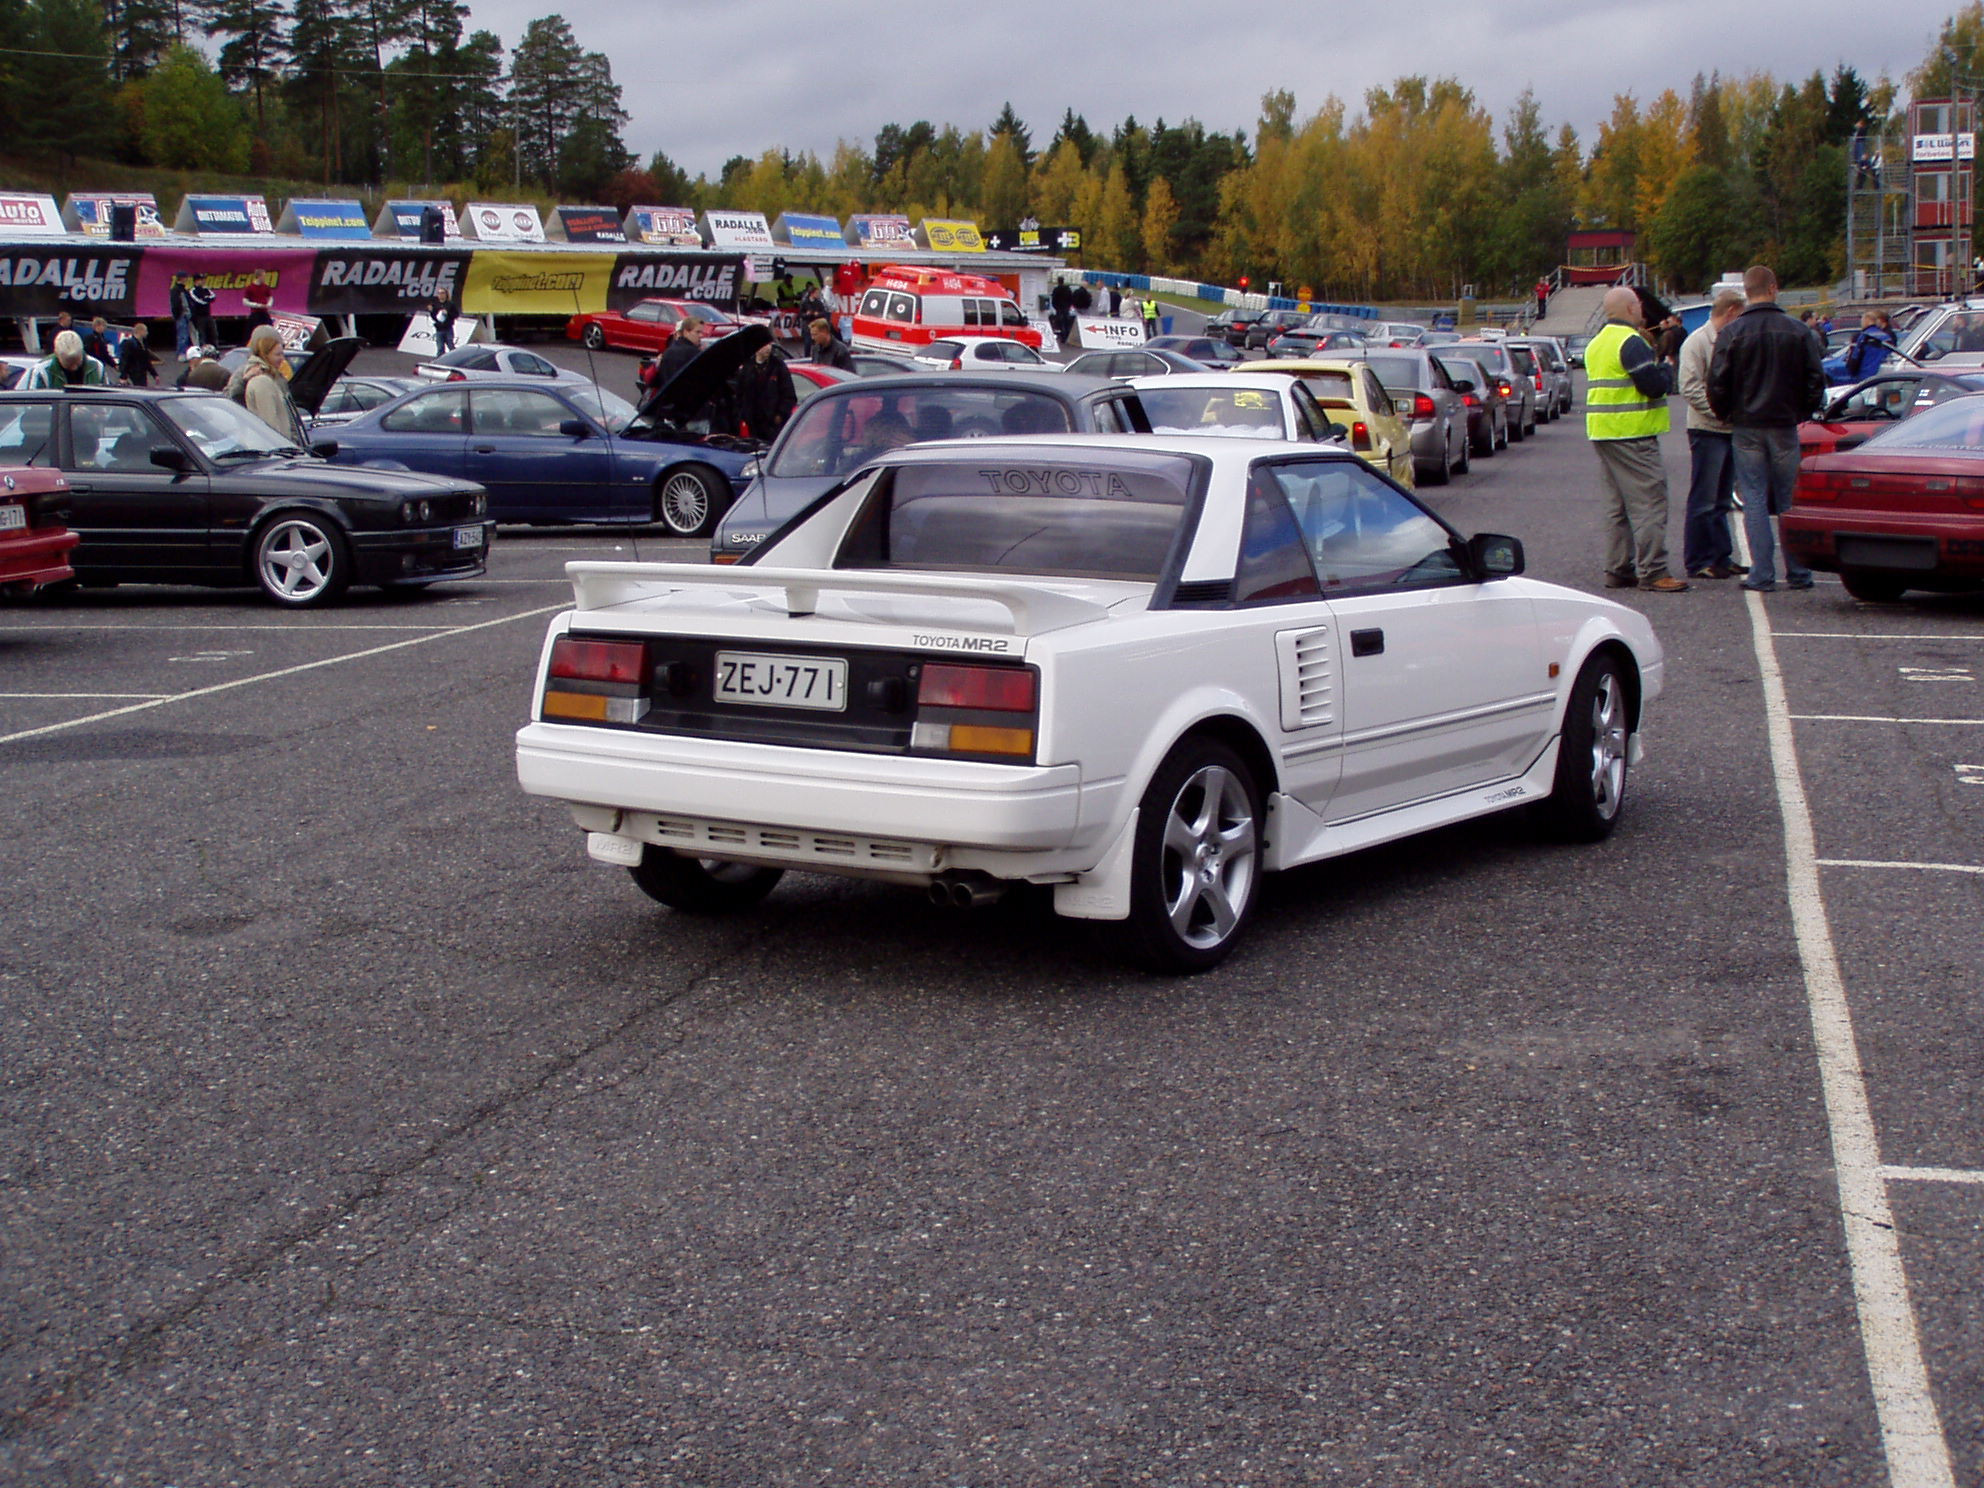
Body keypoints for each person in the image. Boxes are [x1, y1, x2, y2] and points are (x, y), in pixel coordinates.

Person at [1707, 263, 1826, 593]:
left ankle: (1762, 573)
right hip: (1785, 422)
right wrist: (1801, 410)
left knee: (1754, 498)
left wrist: (1727, 413)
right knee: (1789, 499)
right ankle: (1799, 571)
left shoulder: (1731, 333)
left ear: (1747, 292)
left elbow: (1716, 382)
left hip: (1747, 423)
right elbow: (1816, 379)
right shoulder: (1798, 331)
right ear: (1774, 288)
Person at [1585, 285, 1689, 592]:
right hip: (1632, 432)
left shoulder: (1597, 343)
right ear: (1631, 309)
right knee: (1649, 503)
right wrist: (1667, 370)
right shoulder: (1631, 341)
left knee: (1616, 506)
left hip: (1604, 431)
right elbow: (1653, 385)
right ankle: (1654, 570)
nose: (1643, 312)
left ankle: (1617, 568)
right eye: (1640, 307)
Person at [1677, 288, 1747, 579]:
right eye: (1740, 315)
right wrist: (1719, 412)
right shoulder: (1696, 342)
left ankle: (1721, 556)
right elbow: (1689, 386)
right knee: (1703, 499)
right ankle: (1698, 560)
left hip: (1730, 428)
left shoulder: (1733, 340)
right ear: (1730, 311)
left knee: (1721, 500)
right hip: (1707, 429)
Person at [231, 326, 304, 443]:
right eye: (277, 354)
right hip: (265, 442)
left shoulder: (276, 374)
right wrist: (244, 381)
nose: (282, 359)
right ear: (264, 352)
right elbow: (231, 401)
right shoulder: (249, 374)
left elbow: (287, 412)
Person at [733, 340, 797, 442]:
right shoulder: (747, 367)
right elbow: (740, 394)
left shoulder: (778, 366)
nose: (768, 348)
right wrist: (744, 415)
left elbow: (789, 394)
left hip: (773, 424)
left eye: (769, 344)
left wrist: (780, 415)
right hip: (753, 424)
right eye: (764, 345)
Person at [23, 329, 107, 388]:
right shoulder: (42, 371)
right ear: (56, 354)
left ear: (82, 351)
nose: (74, 367)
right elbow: (34, 407)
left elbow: (106, 406)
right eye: (68, 363)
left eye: (77, 362)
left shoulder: (97, 367)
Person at [1842, 310, 1896, 382]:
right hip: (1882, 375)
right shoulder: (1886, 337)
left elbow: (1855, 357)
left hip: (1865, 376)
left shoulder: (1862, 337)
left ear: (1866, 321)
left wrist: (1851, 370)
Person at [116, 321, 159, 387]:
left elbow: (146, 360)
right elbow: (125, 360)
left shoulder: (143, 343)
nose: (147, 333)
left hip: (141, 372)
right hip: (133, 372)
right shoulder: (130, 344)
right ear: (140, 331)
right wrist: (123, 376)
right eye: (145, 331)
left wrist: (154, 374)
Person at [186, 273, 217, 349]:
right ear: (196, 281)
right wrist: (206, 299)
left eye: (204, 280)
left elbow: (213, 297)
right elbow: (199, 301)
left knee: (213, 333)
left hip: (208, 315)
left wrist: (206, 299)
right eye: (201, 280)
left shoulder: (206, 289)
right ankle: (202, 349)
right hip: (199, 317)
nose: (203, 281)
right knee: (201, 334)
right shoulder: (193, 291)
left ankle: (214, 348)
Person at [169, 272, 193, 357]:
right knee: (183, 335)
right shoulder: (176, 290)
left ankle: (184, 352)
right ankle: (181, 353)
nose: (186, 279)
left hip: (186, 314)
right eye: (185, 278)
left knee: (186, 335)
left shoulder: (184, 289)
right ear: (182, 278)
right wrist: (178, 314)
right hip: (181, 315)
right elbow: (175, 304)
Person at [428, 284, 457, 354]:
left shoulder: (450, 304)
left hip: (448, 329)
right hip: (439, 329)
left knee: (451, 346)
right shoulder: (435, 304)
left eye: (442, 293)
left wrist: (448, 313)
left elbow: (456, 315)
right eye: (439, 293)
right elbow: (434, 317)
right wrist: (431, 311)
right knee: (440, 348)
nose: (441, 295)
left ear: (446, 294)